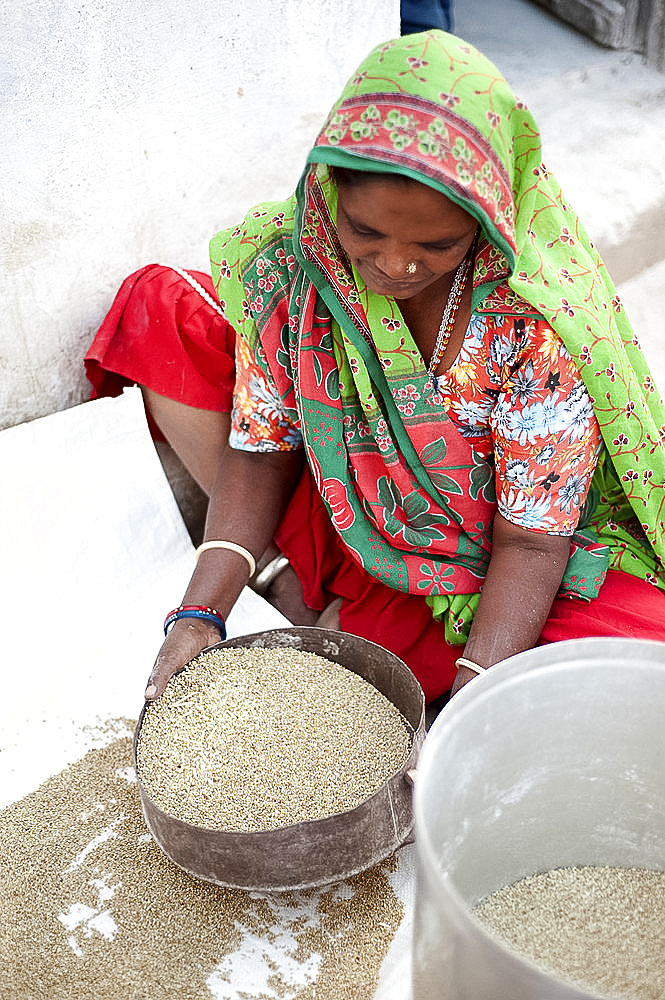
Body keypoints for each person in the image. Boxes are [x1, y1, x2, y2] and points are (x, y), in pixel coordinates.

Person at [86, 30, 665, 705]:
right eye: (365, 232)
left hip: (513, 554)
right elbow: (259, 452)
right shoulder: (296, 273)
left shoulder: (527, 325)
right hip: (363, 514)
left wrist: (474, 699)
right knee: (164, 308)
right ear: (328, 192)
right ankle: (297, 575)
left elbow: (533, 546)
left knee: (624, 678)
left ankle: (369, 614)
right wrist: (200, 612)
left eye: (436, 243)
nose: (395, 266)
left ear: (488, 221)